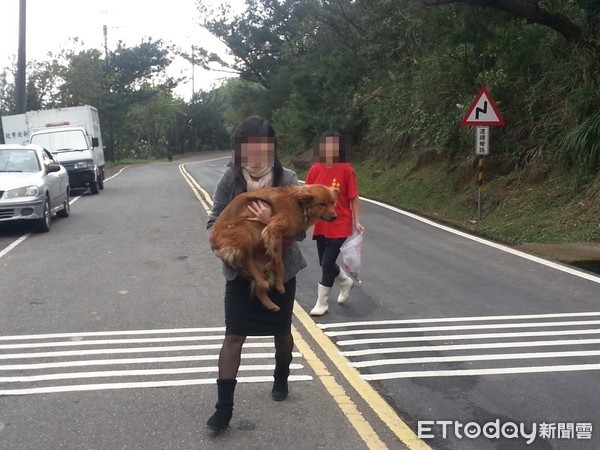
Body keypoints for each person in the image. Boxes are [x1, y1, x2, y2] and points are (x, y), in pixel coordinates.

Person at [206, 116, 307, 431]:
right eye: (248, 147)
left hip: (280, 270)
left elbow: (301, 232)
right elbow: (214, 220)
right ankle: (223, 409)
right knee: (234, 335)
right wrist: (223, 246)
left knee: (281, 333)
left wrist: (269, 221)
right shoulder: (230, 179)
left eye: (261, 147)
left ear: (272, 148)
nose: (255, 154)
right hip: (241, 272)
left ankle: (281, 376)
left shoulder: (288, 179)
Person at [305, 131, 365, 316]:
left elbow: (353, 198)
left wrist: (357, 222)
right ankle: (345, 282)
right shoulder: (315, 168)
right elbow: (305, 194)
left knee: (327, 261)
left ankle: (322, 303)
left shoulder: (346, 169)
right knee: (325, 263)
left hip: (340, 222)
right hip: (321, 223)